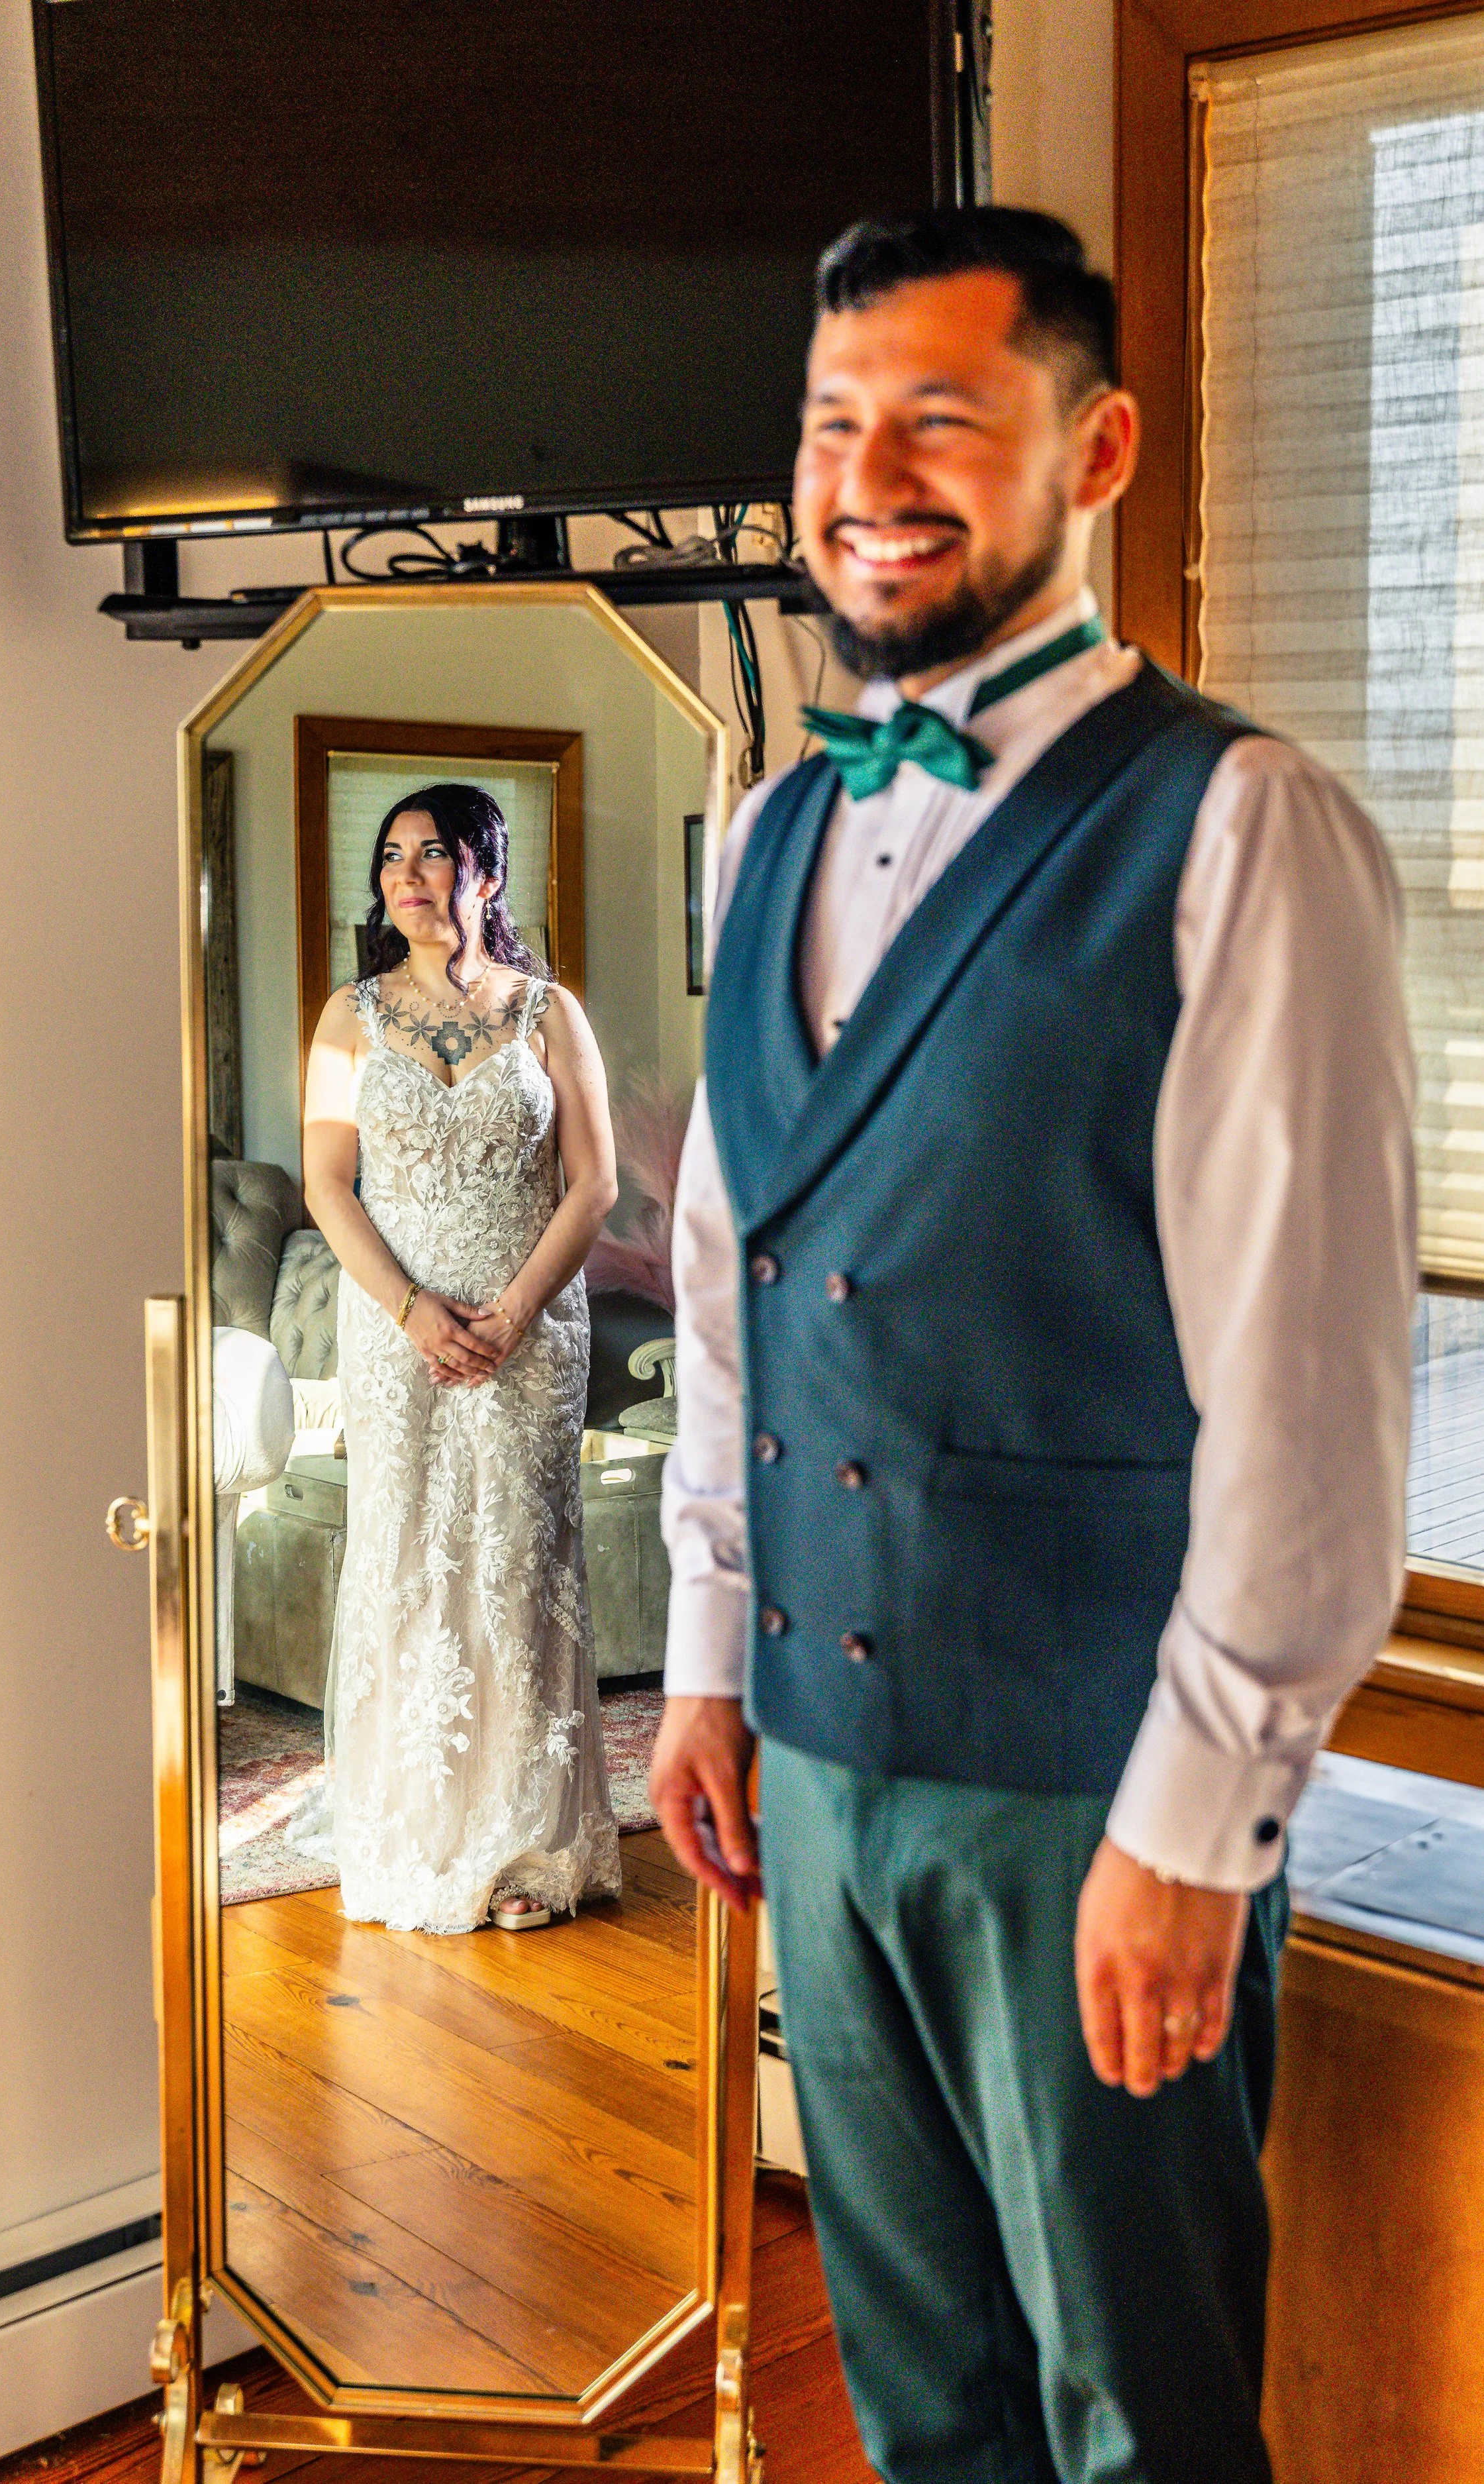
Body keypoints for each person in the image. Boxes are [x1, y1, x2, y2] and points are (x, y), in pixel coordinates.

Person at [649, 209, 1414, 2484]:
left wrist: (1195, 1827)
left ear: (1095, 450)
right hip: (817, 1761)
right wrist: (708, 1652)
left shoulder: (1241, 825)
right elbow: (733, 1274)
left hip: (1094, 1788)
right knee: (926, 2402)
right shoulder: (766, 828)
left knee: (1135, 2417)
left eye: (940, 420)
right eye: (833, 426)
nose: (868, 479)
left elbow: (1308, 1399)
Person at [291, 781, 622, 1934]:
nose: (406, 876)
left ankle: (528, 1842)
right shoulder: (347, 1018)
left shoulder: (548, 1014)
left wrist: (517, 1310)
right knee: (406, 1559)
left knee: (517, 1565)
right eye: (391, 857)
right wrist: (411, 1311)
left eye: (433, 854)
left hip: (530, 1334)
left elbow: (596, 1183)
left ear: (487, 872)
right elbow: (326, 1183)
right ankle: (411, 1829)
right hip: (399, 1340)